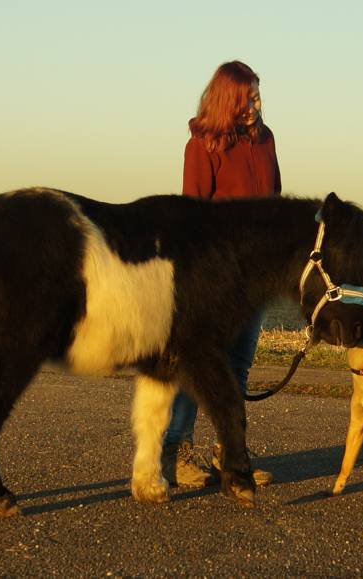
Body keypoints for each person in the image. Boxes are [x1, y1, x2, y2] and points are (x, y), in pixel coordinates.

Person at [162, 60, 281, 488]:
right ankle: (175, 451)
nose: (256, 105)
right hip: (215, 276)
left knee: (239, 365)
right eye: (248, 97)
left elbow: (274, 198)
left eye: (258, 96)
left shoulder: (266, 139)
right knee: (199, 366)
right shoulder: (202, 145)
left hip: (255, 275)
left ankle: (231, 453)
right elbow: (192, 214)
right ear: (228, 99)